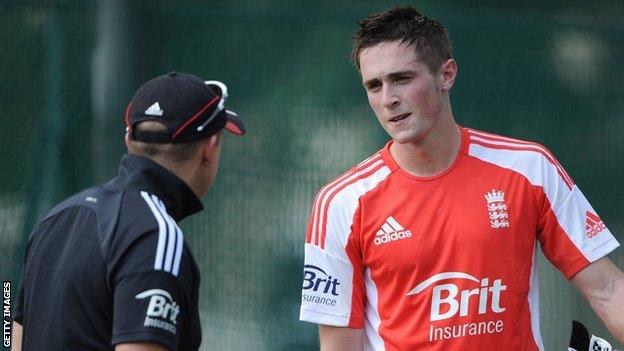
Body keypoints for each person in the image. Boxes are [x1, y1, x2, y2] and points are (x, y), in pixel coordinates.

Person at [299, 6, 624, 350]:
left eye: (402, 79)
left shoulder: (530, 168)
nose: (388, 99)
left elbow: (607, 288)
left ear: (447, 74)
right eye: (374, 85)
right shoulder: (342, 203)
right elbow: (338, 344)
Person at [12, 72, 246, 351]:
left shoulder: (54, 219)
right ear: (210, 148)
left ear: (129, 141)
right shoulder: (157, 237)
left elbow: (14, 336)